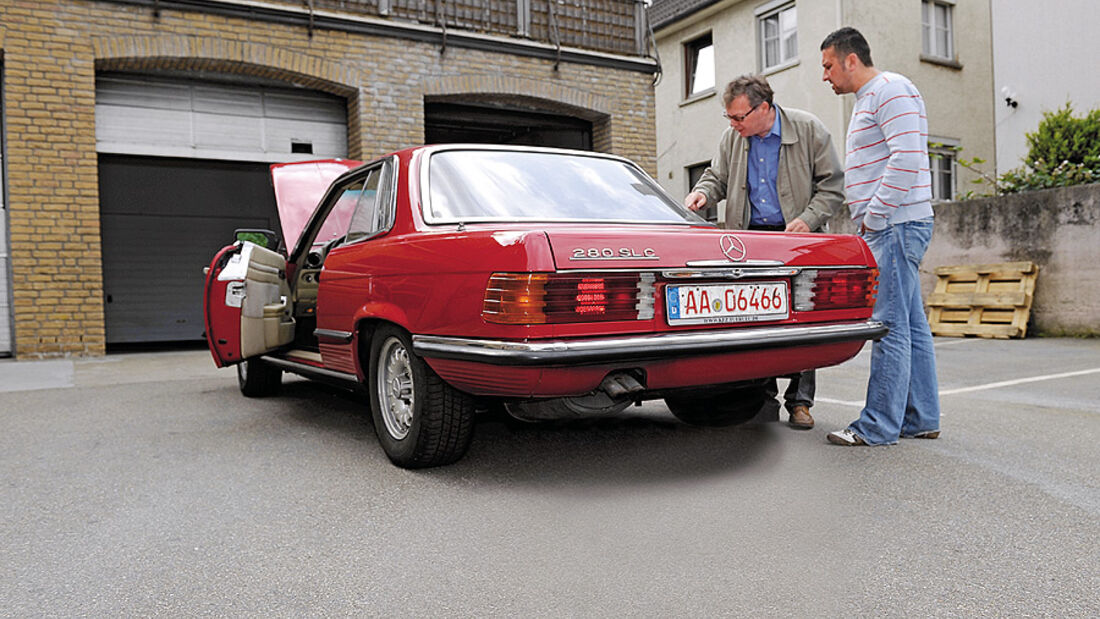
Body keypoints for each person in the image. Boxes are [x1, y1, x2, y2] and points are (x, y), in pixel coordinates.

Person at [684, 74, 844, 430]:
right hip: (750, 241)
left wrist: (808, 219)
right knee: (757, 319)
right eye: (729, 118)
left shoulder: (808, 129)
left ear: (764, 108)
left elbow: (833, 186)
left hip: (797, 241)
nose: (733, 124)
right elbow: (717, 177)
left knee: (802, 321)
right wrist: (704, 193)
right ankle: (764, 397)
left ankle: (800, 401)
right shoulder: (733, 138)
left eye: (739, 117)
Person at [819, 27, 941, 446]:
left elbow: (907, 156)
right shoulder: (873, 98)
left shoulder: (890, 90)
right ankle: (920, 416)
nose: (825, 75)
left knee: (888, 325)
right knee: (911, 324)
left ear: (851, 60)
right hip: (895, 224)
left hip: (895, 225)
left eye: (829, 65)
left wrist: (875, 215)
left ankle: (877, 426)